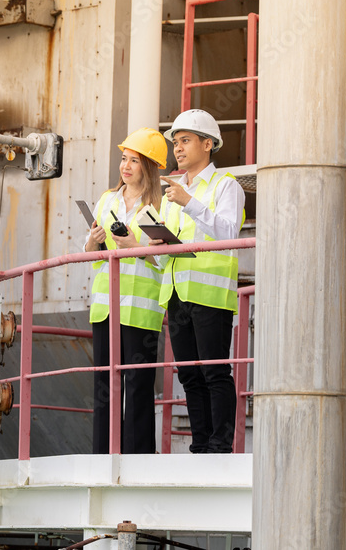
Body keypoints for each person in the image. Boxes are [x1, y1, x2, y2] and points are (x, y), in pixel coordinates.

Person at [158, 109, 245, 454]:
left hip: (210, 293)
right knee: (190, 376)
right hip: (177, 292)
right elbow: (172, 246)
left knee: (214, 372)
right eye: (176, 143)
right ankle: (200, 446)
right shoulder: (174, 194)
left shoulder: (227, 186)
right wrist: (153, 245)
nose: (177, 149)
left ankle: (220, 447)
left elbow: (227, 231)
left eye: (185, 141)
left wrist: (189, 202)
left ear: (208, 145)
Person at [84, 127, 168, 454]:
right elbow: (92, 253)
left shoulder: (162, 203)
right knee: (105, 384)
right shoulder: (108, 199)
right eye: (124, 159)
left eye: (134, 160)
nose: (126, 166)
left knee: (137, 387)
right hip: (106, 307)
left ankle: (138, 458)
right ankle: (102, 455)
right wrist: (92, 242)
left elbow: (167, 257)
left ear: (148, 167)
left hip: (141, 309)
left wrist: (136, 246)